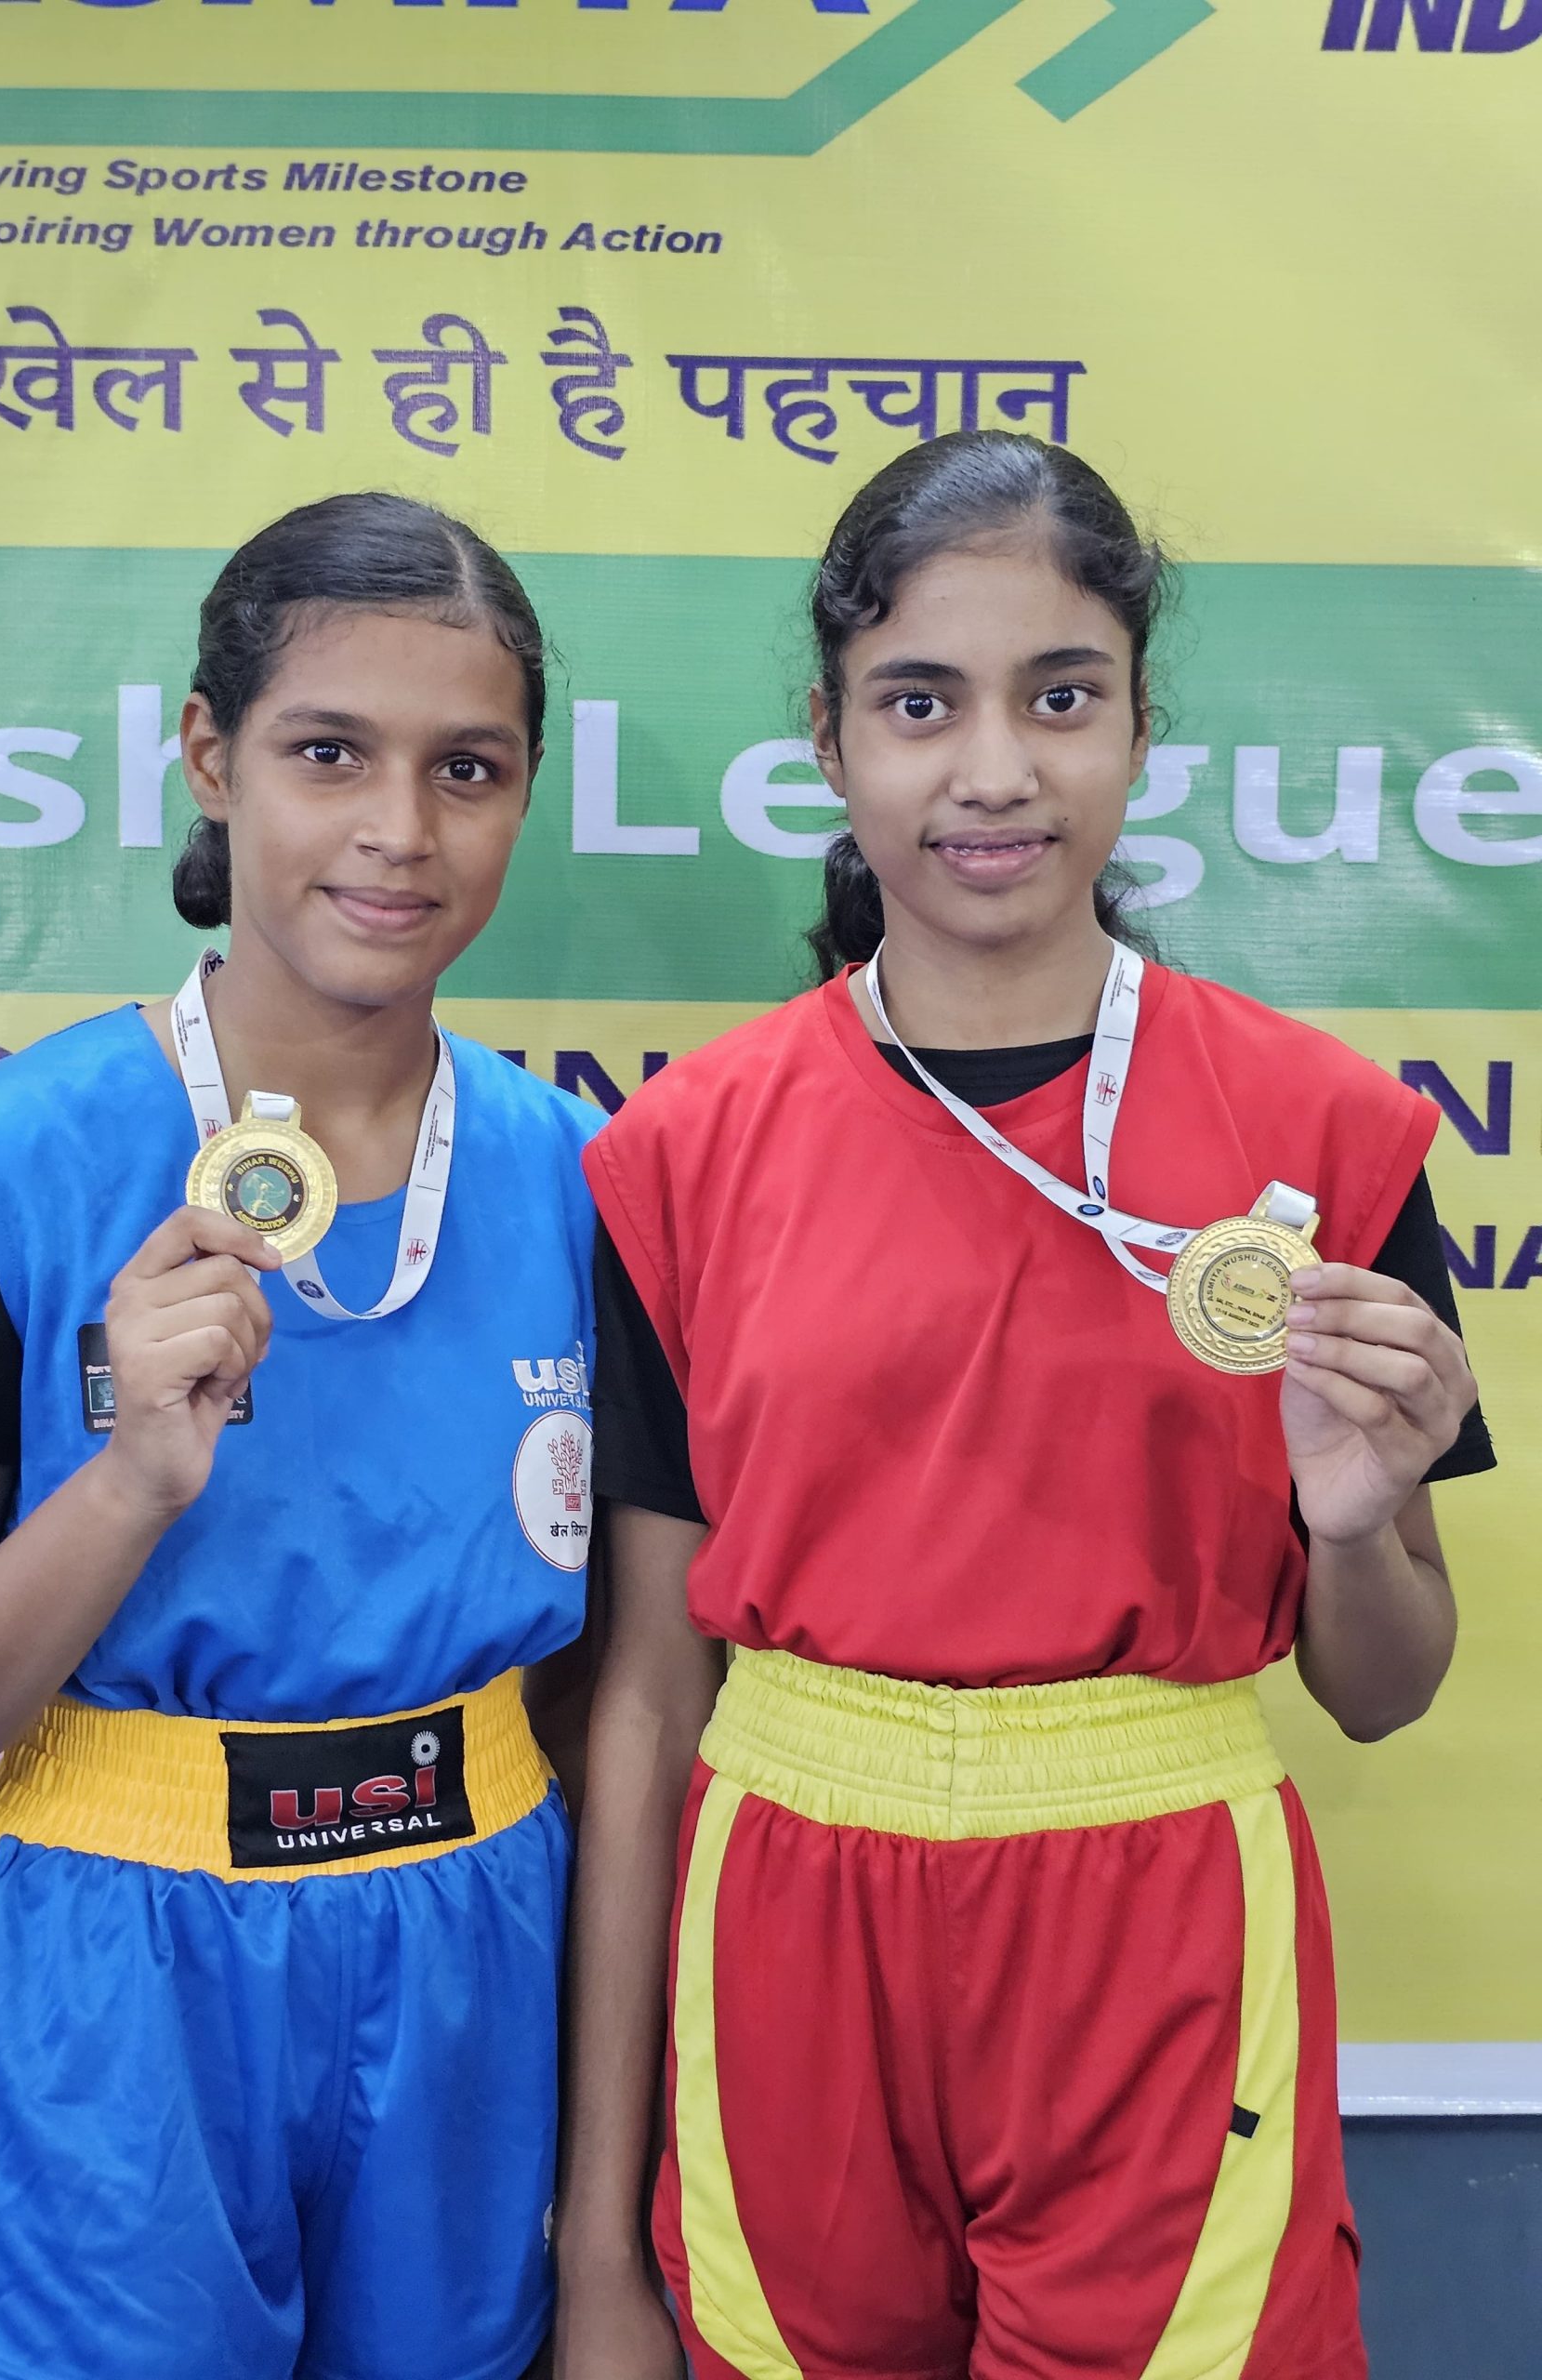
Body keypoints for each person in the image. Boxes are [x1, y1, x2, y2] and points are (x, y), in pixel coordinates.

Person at [554, 432, 1493, 2380]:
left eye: (1061, 697)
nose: (994, 770)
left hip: (1163, 1924)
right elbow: (645, 1697)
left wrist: (1345, 1529)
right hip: (785, 1917)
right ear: (829, 740)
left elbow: (1387, 1683)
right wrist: (595, 2237)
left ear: (1142, 728)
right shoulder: (680, 1154)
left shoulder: (1326, 1137)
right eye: (922, 703)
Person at [0, 493, 601, 2380]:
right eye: (329, 753)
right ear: (212, 758)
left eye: (467, 768)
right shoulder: (3, 1162)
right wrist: (130, 1485)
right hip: (110, 1972)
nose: (400, 830)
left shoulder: (586, 1182)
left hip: (480, 1958)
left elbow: (616, 1691)